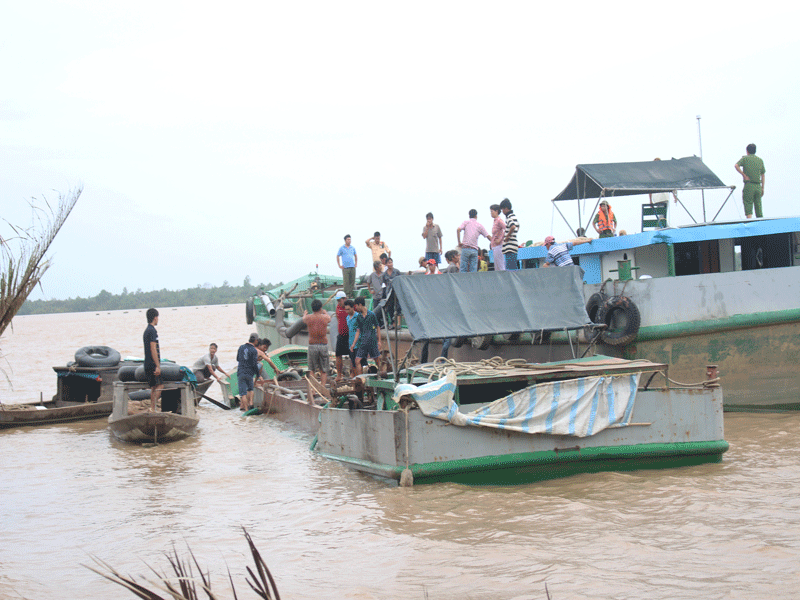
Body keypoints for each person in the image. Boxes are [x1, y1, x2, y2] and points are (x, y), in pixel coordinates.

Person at [303, 298, 332, 387]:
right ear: (320, 308)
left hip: (312, 345)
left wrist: (304, 314)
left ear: (312, 309)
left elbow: (303, 319)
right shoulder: (325, 317)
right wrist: (325, 312)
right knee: (323, 369)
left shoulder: (308, 318)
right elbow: (329, 318)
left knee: (311, 369)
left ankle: (313, 389)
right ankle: (322, 387)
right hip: (323, 345)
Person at [351, 296, 381, 376]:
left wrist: (379, 341)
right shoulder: (359, 317)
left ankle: (382, 375)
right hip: (363, 342)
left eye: (356, 306)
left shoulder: (371, 315)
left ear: (360, 305)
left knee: (377, 359)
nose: (356, 308)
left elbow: (377, 327)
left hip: (372, 342)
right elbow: (358, 331)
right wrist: (354, 344)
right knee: (357, 361)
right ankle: (361, 379)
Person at [735, 143, 766, 219]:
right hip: (758, 185)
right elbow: (763, 175)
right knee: (758, 205)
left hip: (749, 185)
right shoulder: (760, 160)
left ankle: (749, 220)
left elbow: (736, 165)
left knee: (748, 204)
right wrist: (762, 188)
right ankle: (760, 220)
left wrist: (744, 175)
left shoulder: (745, 159)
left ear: (747, 151)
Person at [143, 308, 162, 412]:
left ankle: (153, 408)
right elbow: (153, 349)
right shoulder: (152, 331)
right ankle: (153, 407)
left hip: (147, 362)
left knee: (154, 387)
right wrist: (158, 366)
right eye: (157, 317)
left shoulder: (147, 330)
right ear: (155, 318)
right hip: (152, 364)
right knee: (160, 385)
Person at [236, 333, 261, 411]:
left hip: (241, 372)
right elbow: (254, 364)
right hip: (249, 373)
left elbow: (237, 359)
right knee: (250, 389)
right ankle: (251, 404)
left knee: (243, 393)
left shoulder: (241, 347)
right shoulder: (254, 350)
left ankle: (246, 410)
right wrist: (258, 374)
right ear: (256, 340)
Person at [344, 299, 366, 374]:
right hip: (351, 343)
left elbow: (358, 331)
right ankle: (355, 377)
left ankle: (360, 378)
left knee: (358, 362)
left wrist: (354, 343)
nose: (347, 311)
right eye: (346, 309)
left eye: (348, 309)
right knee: (353, 362)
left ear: (353, 308)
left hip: (358, 343)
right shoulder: (347, 318)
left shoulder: (358, 317)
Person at [367, 259, 391, 326]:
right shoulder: (372, 275)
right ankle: (377, 325)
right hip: (375, 297)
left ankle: (384, 324)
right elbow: (368, 282)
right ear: (377, 267)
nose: (381, 267)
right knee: (376, 312)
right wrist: (370, 291)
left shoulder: (383, 274)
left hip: (382, 297)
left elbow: (386, 283)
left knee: (383, 311)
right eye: (380, 265)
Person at [333, 291, 350, 380]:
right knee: (338, 354)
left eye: (340, 300)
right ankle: (339, 375)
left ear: (344, 299)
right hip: (341, 334)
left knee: (352, 355)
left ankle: (353, 374)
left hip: (350, 335)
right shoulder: (338, 307)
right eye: (338, 301)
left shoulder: (351, 307)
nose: (339, 302)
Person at [500, 198, 520, 270]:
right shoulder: (514, 216)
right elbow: (518, 226)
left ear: (506, 208)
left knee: (510, 269)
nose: (502, 211)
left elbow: (513, 226)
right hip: (514, 245)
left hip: (510, 247)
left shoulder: (509, 217)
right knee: (513, 267)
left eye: (502, 209)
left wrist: (507, 237)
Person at [489, 204, 506, 272]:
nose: (491, 213)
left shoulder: (499, 220)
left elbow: (506, 228)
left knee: (500, 265)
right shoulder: (495, 221)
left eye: (492, 211)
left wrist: (500, 239)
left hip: (498, 246)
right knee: (497, 266)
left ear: (496, 211)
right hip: (495, 246)